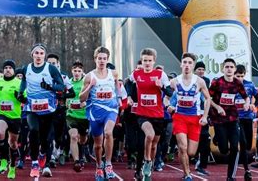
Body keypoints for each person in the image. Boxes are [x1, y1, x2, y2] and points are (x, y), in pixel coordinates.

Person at [15, 43, 65, 178]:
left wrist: (50, 87)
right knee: (33, 130)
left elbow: (61, 86)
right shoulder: (27, 68)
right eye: (36, 53)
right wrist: (21, 93)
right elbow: (24, 81)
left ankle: (43, 152)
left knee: (45, 138)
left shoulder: (51, 69)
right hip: (32, 107)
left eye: (41, 53)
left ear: (44, 55)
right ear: (32, 55)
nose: (38, 56)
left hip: (48, 109)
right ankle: (35, 162)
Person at [129, 48, 172, 179]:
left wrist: (162, 86)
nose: (147, 63)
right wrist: (130, 97)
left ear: (154, 61)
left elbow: (170, 92)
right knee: (149, 135)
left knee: (154, 145)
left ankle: (148, 168)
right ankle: (146, 161)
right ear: (141, 61)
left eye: (149, 61)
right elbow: (128, 83)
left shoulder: (160, 74)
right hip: (142, 114)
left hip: (158, 115)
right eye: (144, 61)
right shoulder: (136, 74)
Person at [80, 46, 122, 180]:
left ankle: (108, 164)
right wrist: (90, 86)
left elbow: (117, 87)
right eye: (100, 58)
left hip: (111, 109)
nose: (102, 61)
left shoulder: (114, 73)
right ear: (95, 59)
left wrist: (119, 98)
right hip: (95, 112)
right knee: (98, 145)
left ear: (107, 59)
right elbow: (81, 98)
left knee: (109, 133)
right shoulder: (89, 76)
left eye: (104, 58)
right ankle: (99, 166)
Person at [167, 53, 210, 181]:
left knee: (191, 152)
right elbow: (166, 97)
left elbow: (208, 99)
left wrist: (205, 116)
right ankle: (187, 174)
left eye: (190, 63)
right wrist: (169, 106)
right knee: (183, 147)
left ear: (193, 66)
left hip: (195, 118)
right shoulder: (174, 81)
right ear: (181, 64)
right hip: (179, 117)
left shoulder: (199, 81)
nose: (187, 65)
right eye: (185, 62)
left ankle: (183, 157)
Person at [209, 58, 250, 181]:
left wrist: (247, 103)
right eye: (227, 67)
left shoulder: (237, 83)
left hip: (233, 118)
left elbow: (246, 97)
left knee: (234, 147)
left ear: (235, 69)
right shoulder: (217, 83)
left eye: (231, 67)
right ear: (223, 69)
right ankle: (218, 137)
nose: (229, 69)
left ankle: (230, 177)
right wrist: (217, 107)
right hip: (219, 119)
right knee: (223, 149)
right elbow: (208, 98)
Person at [0, 60, 22, 179]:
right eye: (6, 68)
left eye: (10, 68)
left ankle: (12, 166)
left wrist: (19, 97)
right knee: (0, 133)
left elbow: (24, 99)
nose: (8, 70)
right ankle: (3, 159)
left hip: (15, 116)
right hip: (2, 114)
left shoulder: (19, 83)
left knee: (13, 144)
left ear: (14, 70)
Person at [46, 53, 75, 167]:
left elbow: (72, 93)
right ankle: (51, 156)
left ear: (58, 64)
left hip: (60, 110)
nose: (51, 65)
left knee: (59, 135)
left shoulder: (64, 77)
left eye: (53, 63)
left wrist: (61, 96)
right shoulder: (43, 76)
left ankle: (60, 151)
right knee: (49, 134)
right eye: (49, 63)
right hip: (47, 110)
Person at [234, 64, 258, 176]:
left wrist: (253, 104)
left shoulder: (250, 85)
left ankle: (245, 163)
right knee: (242, 143)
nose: (239, 78)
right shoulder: (230, 86)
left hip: (248, 117)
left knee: (248, 145)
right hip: (236, 118)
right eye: (237, 76)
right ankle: (246, 168)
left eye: (241, 76)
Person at [66, 61, 89, 172]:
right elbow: (65, 96)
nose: (76, 73)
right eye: (75, 71)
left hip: (84, 116)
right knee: (74, 136)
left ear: (82, 72)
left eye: (79, 71)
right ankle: (76, 161)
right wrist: (66, 102)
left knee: (83, 140)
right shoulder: (68, 83)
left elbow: (91, 97)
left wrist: (86, 103)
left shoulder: (85, 83)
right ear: (72, 71)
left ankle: (82, 152)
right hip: (71, 115)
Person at [193, 61, 211, 175]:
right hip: (191, 113)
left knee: (205, 138)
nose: (201, 71)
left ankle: (201, 164)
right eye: (199, 69)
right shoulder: (190, 79)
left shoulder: (206, 81)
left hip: (203, 113)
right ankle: (193, 157)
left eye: (202, 69)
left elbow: (208, 97)